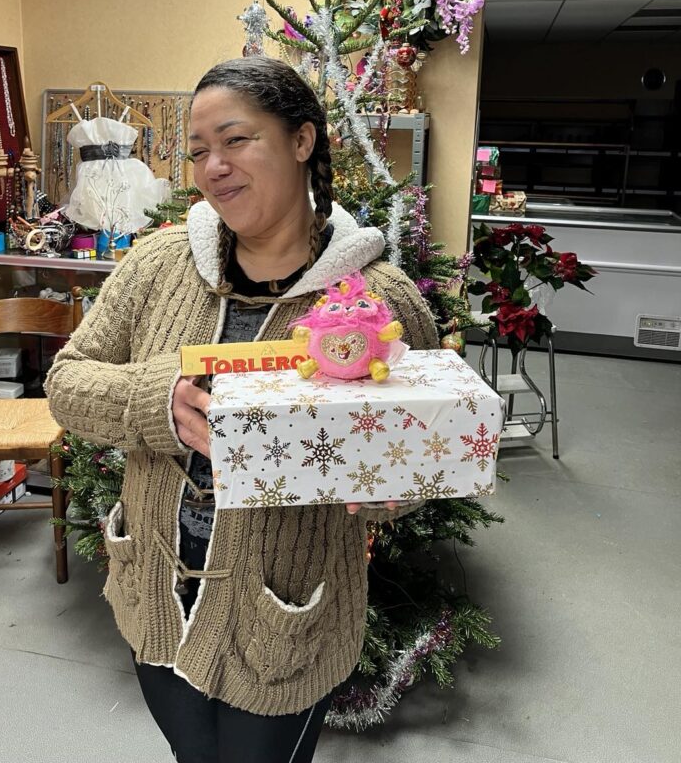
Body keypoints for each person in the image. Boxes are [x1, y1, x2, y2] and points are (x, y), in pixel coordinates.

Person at [45, 57, 438, 763]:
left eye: (236, 140)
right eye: (198, 151)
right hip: (157, 593)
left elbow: (413, 465)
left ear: (301, 141)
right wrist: (152, 397)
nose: (213, 166)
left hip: (283, 614)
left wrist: (380, 488)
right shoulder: (157, 265)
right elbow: (67, 382)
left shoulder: (381, 303)